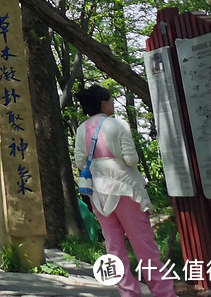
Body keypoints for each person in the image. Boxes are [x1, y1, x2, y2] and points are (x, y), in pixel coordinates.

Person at [73, 84, 175, 297]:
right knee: (144, 246)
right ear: (103, 103)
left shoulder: (82, 129)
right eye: (110, 100)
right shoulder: (117, 125)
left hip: (99, 195)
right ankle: (164, 293)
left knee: (114, 248)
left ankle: (128, 293)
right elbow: (131, 159)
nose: (112, 104)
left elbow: (80, 161)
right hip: (126, 190)